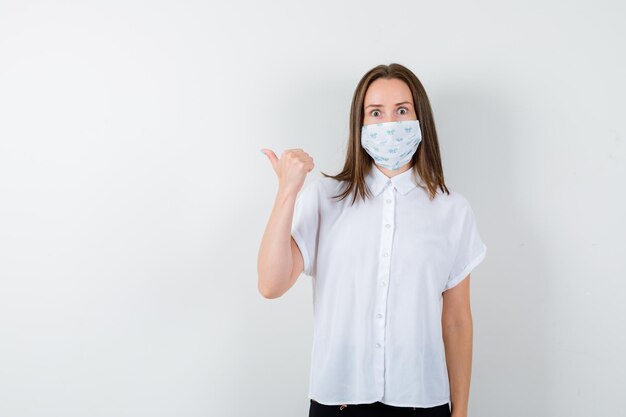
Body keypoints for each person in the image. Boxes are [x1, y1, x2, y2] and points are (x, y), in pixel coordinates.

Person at [258, 63, 487, 417]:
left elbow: (456, 319)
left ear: (419, 118)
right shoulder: (326, 198)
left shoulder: (451, 209)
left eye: (402, 111)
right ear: (360, 124)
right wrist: (287, 191)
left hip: (421, 402)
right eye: (376, 113)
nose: (390, 124)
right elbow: (271, 284)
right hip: (339, 401)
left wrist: (461, 412)